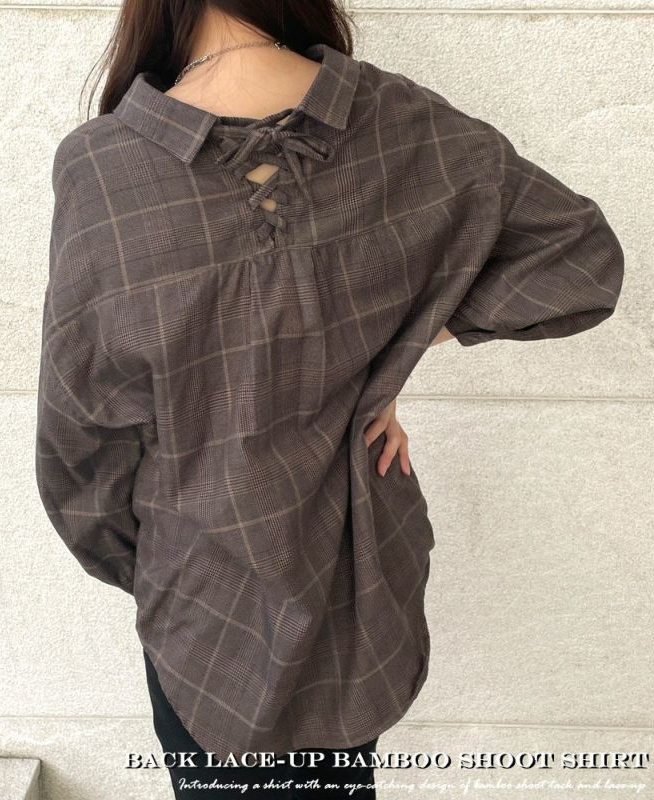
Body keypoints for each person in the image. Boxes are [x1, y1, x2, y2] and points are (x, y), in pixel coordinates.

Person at [34, 2, 625, 798]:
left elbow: (79, 445)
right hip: (355, 583)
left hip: (202, 599)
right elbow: (577, 258)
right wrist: (392, 352)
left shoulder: (104, 168)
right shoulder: (401, 126)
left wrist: (151, 568)